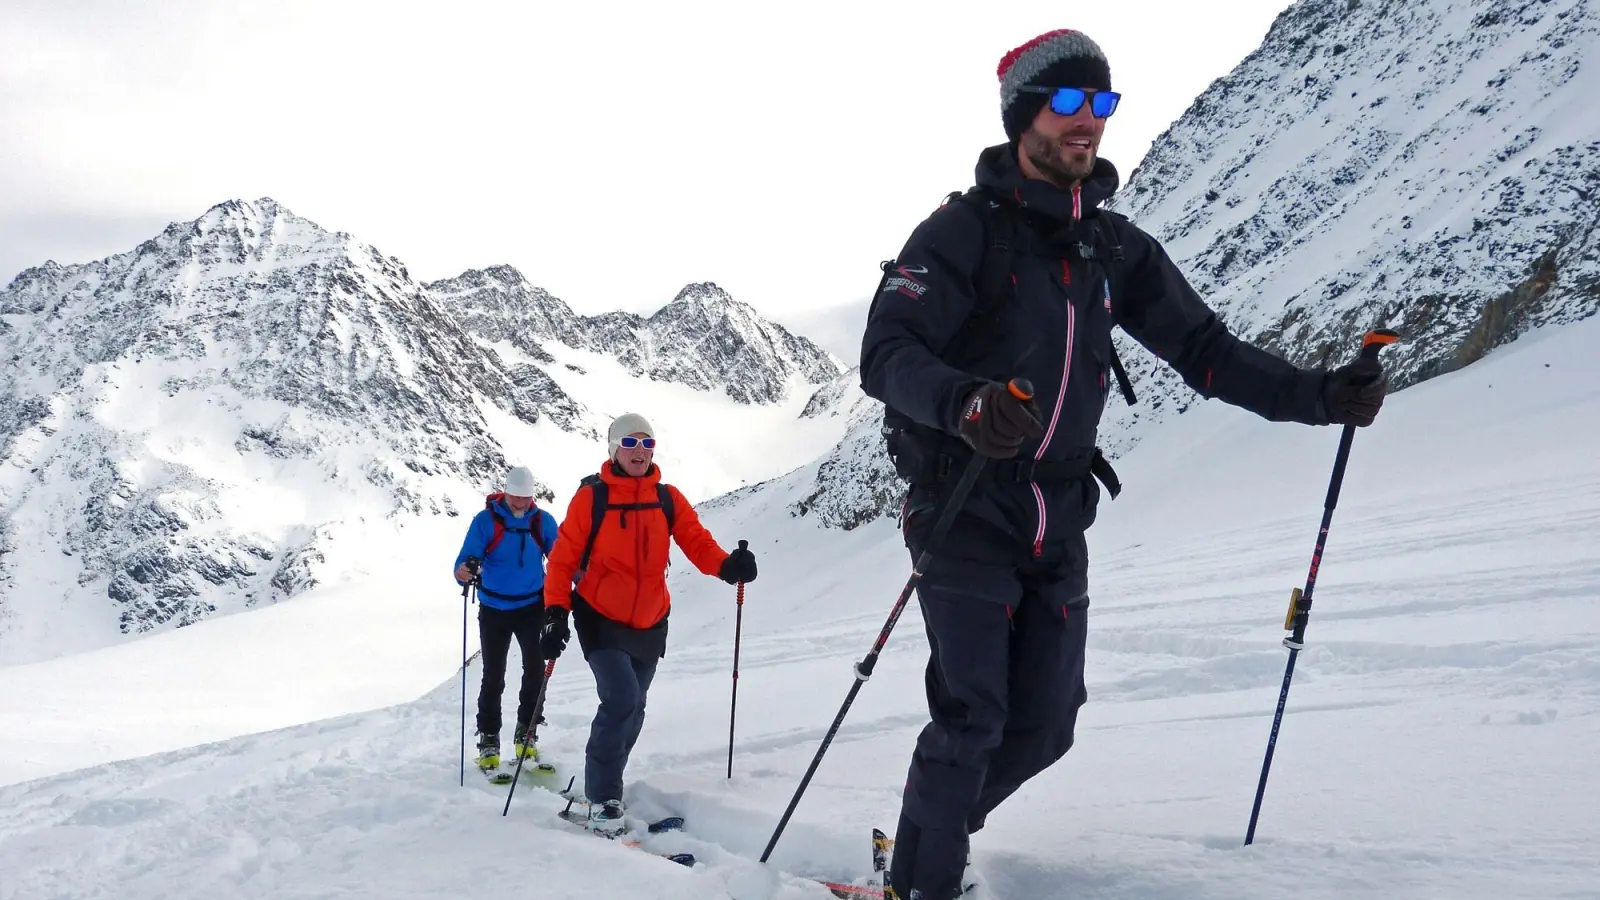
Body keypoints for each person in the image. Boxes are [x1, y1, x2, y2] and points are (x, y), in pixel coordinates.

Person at [858, 28, 1389, 900]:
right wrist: (967, 405)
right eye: (1069, 103)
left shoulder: (1114, 248)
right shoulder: (961, 234)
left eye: (1101, 105)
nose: (1089, 123)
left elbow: (1208, 352)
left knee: (1045, 728)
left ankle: (921, 842)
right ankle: (925, 882)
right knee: (972, 718)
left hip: (1059, 519)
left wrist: (1322, 396)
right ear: (1023, 115)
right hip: (964, 512)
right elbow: (889, 351)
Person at [539, 413, 757, 835]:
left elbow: (696, 541)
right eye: (630, 443)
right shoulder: (592, 499)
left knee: (635, 709)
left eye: (646, 443)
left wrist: (728, 565)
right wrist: (554, 612)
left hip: (651, 621)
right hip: (599, 616)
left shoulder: (667, 498)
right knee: (620, 699)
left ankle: (606, 791)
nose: (639, 451)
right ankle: (601, 799)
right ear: (613, 448)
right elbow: (564, 558)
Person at [453, 465, 560, 774]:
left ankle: (526, 732)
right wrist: (464, 572)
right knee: (493, 674)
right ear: (505, 492)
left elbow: (561, 558)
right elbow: (464, 560)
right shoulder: (486, 521)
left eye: (526, 498)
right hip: (494, 608)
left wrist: (580, 578)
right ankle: (489, 738)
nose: (520, 503)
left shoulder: (542, 522)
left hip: (532, 606)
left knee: (535, 670)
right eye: (515, 497)